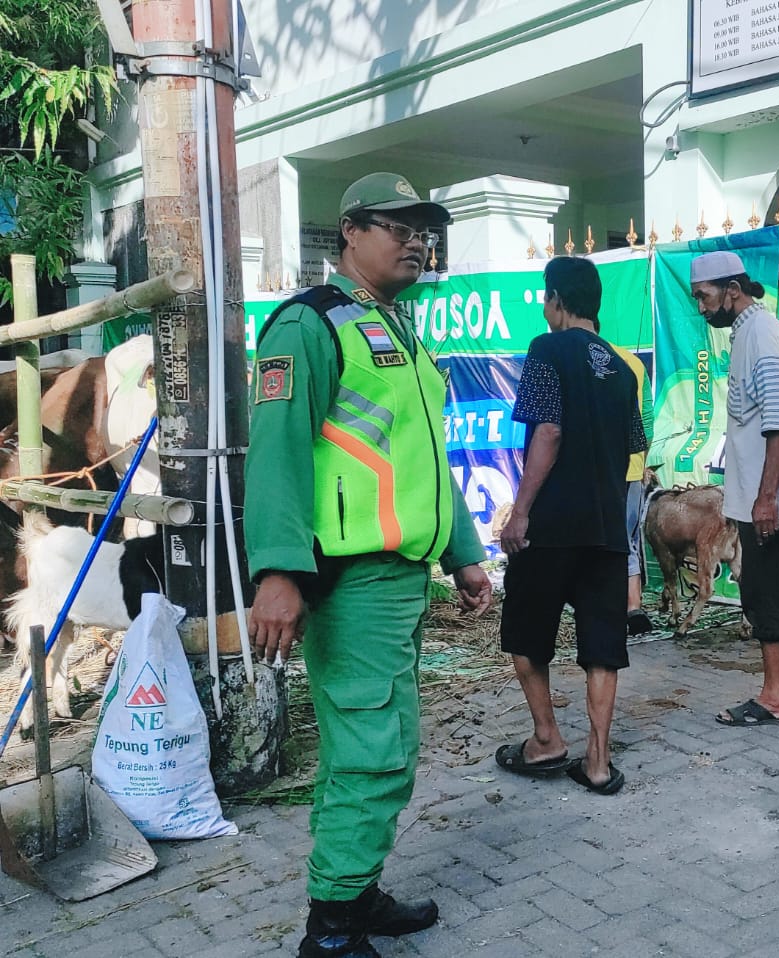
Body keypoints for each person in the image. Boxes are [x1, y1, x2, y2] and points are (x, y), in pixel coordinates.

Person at [245, 172, 493, 958]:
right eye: (399, 226)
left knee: (383, 742)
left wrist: (463, 557)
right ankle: (331, 930)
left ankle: (356, 889)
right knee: (371, 750)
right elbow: (277, 454)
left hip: (400, 579)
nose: (416, 241)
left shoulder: (399, 330)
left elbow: (426, 461)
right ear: (349, 231)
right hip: (350, 581)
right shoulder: (309, 325)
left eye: (425, 230)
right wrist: (278, 573)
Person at [496, 256, 647, 796]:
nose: (544, 307)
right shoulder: (621, 365)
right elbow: (634, 443)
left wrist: (520, 511)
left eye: (545, 297)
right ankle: (599, 762)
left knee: (525, 630)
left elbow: (549, 432)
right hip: (607, 526)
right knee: (603, 643)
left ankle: (547, 739)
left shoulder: (545, 349)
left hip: (553, 523)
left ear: (557, 299)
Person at [687, 250, 779, 726]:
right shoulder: (755, 330)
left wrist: (766, 497)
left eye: (704, 297)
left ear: (732, 289)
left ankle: (775, 697)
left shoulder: (759, 334)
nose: (701, 308)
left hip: (771, 498)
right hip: (773, 496)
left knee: (765, 592)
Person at [611, 342, 655, 635]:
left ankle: (603, 608)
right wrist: (643, 464)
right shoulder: (634, 363)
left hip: (598, 471)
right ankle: (633, 606)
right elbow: (647, 424)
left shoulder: (577, 358)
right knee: (628, 541)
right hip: (633, 467)